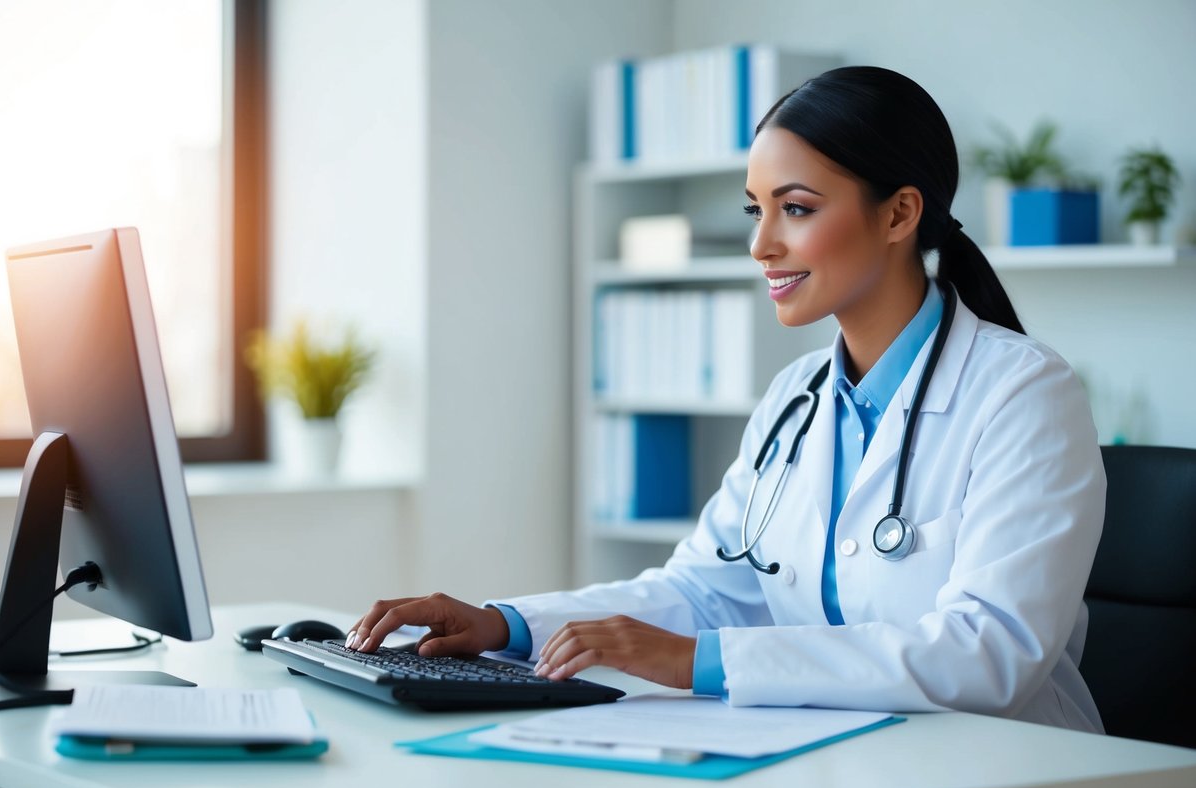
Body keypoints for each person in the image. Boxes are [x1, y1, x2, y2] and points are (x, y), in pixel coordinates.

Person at [348, 66, 1107, 734]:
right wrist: (504, 624)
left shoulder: (1021, 394)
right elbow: (703, 589)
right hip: (844, 760)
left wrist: (696, 662)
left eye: (797, 208)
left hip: (1010, 782)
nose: (760, 245)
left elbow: (989, 653)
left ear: (900, 214)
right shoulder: (795, 398)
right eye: (755, 210)